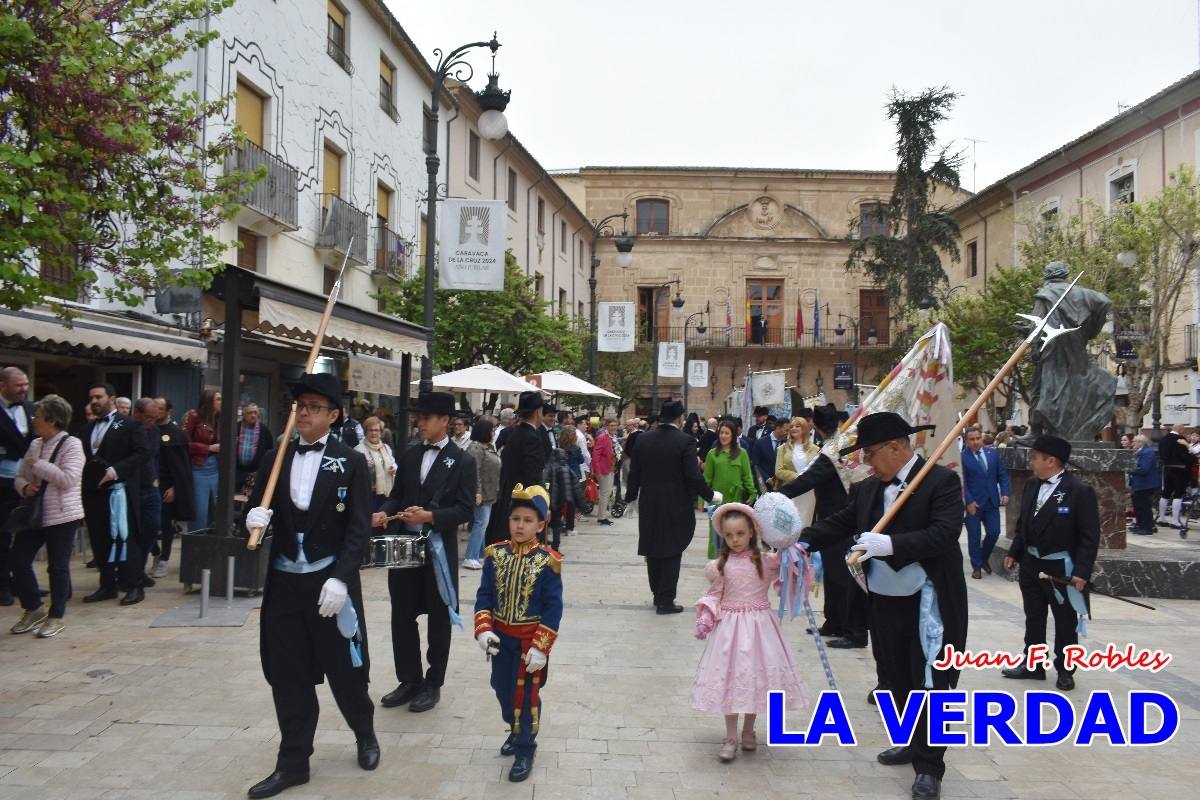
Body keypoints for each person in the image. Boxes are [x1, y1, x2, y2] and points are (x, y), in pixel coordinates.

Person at [800, 412, 966, 800]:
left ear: (896, 447)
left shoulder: (940, 482)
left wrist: (891, 545)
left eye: (871, 453)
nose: (867, 463)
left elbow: (944, 534)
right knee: (896, 678)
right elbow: (841, 523)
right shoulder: (868, 489)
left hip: (931, 605)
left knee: (931, 684)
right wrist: (799, 541)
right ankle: (912, 743)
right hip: (885, 601)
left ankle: (930, 767)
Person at [244, 372, 378, 798]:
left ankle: (365, 732)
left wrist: (340, 579)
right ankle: (293, 762)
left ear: (334, 416)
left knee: (346, 673)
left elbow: (359, 531)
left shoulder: (352, 462)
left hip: (330, 586)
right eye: (300, 406)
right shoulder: (273, 459)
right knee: (288, 677)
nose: (304, 413)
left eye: (315, 407)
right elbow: (253, 514)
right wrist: (251, 522)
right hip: (285, 586)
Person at [372, 391, 476, 714]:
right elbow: (397, 495)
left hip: (438, 552)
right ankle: (409, 679)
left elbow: (465, 510)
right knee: (401, 615)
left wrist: (430, 517)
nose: (420, 423)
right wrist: (383, 512)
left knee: (438, 618)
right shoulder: (410, 455)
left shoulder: (462, 460)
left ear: (446, 421)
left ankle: (433, 683)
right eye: (418, 417)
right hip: (405, 548)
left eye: (426, 418)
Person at [692, 503, 807, 762]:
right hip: (729, 632)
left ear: (752, 533)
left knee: (755, 680)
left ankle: (748, 731)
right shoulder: (720, 565)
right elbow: (714, 595)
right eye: (729, 535)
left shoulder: (765, 563)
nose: (735, 540)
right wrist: (706, 619)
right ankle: (730, 736)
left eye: (740, 534)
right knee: (731, 682)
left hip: (760, 631)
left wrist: (793, 552)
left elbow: (788, 568)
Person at [474, 484, 563, 783]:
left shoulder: (548, 561)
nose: (520, 525)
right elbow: (484, 595)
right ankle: (515, 728)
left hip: (529, 644)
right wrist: (483, 630)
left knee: (524, 697)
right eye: (515, 519)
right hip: (501, 640)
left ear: (541, 524)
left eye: (527, 520)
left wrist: (541, 647)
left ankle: (525, 746)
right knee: (501, 688)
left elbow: (553, 608)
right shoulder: (495, 554)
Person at [1002, 435, 1099, 694]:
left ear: (1051, 461)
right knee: (1034, 617)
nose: (1031, 462)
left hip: (1061, 569)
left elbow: (1090, 537)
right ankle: (1033, 664)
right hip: (1032, 564)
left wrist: (1081, 572)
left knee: (1065, 621)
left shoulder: (1079, 491)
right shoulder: (1032, 484)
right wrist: (1015, 551)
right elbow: (1024, 522)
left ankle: (1065, 669)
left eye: (1035, 457)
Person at [625, 399, 715, 614]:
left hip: (649, 501)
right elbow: (693, 475)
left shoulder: (643, 440)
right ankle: (666, 599)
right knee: (673, 548)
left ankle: (657, 593)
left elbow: (634, 473)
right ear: (679, 418)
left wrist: (630, 496)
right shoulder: (685, 441)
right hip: (676, 502)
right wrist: (710, 495)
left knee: (653, 547)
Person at [8, 395, 84, 638]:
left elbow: (68, 479)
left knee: (58, 567)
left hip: (63, 515)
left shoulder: (72, 444)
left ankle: (56, 616)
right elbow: (21, 476)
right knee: (18, 559)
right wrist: (24, 487)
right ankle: (33, 608)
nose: (34, 421)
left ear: (52, 420)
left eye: (38, 417)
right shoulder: (35, 444)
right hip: (35, 514)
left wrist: (38, 465)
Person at [81, 382, 149, 606]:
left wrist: (116, 470)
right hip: (95, 494)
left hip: (121, 492)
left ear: (111, 398)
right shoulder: (87, 429)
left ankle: (134, 585)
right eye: (91, 397)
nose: (94, 401)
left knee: (126, 538)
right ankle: (107, 585)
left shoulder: (129, 425)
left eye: (98, 396)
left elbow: (142, 453)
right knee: (100, 539)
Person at [486, 392, 546, 546]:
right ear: (538, 412)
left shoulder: (514, 433)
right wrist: (541, 503)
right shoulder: (531, 437)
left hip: (508, 496)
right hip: (524, 501)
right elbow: (532, 475)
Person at [0, 366, 35, 606]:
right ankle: (3, 585)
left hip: (27, 482)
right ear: (3, 385)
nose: (24, 389)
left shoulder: (31, 408)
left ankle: (24, 582)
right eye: (19, 385)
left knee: (25, 535)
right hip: (2, 482)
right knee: (2, 536)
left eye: (26, 384)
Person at [960, 424, 1010, 579]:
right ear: (966, 441)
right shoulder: (962, 457)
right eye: (971, 439)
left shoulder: (992, 454)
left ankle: (983, 558)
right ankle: (976, 567)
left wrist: (1005, 492)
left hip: (991, 502)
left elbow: (1002, 474)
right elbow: (963, 482)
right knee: (974, 537)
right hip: (973, 504)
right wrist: (969, 501)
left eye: (977, 438)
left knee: (994, 532)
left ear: (981, 437)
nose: (975, 442)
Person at [702, 419, 757, 558]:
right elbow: (706, 479)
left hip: (736, 500)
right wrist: (701, 498)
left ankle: (734, 561)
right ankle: (717, 562)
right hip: (717, 501)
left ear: (733, 435)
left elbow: (747, 476)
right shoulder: (712, 454)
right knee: (716, 533)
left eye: (727, 433)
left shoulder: (742, 453)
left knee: (734, 531)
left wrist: (752, 493)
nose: (723, 436)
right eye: (721, 433)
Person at [152, 397, 193, 577]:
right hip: (148, 485)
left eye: (161, 408)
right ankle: (155, 552)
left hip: (167, 486)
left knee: (165, 523)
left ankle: (164, 559)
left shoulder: (176, 434)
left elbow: (182, 467)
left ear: (168, 411)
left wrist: (175, 487)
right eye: (155, 408)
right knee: (147, 524)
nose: (157, 411)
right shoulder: (146, 430)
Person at [130, 398, 162, 583]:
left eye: (155, 418)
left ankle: (138, 569)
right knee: (134, 533)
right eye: (149, 418)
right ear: (137, 414)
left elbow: (155, 457)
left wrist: (156, 478)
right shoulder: (130, 429)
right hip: (134, 487)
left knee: (151, 528)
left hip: (151, 486)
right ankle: (133, 573)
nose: (152, 422)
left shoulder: (154, 431)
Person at [463, 420, 501, 569]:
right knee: (480, 524)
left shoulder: (487, 447)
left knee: (482, 524)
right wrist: (477, 492)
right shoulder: (476, 448)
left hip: (490, 491)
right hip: (482, 493)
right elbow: (474, 472)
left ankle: (479, 555)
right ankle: (470, 556)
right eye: (491, 431)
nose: (493, 434)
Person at [186, 389, 221, 531]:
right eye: (218, 399)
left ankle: (210, 542)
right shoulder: (194, 417)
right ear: (209, 401)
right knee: (200, 509)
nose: (221, 402)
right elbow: (185, 444)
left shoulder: (220, 419)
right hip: (199, 466)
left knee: (215, 508)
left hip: (216, 466)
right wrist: (208, 448)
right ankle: (195, 540)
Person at [355, 416, 396, 513]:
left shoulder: (386, 448)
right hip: (367, 495)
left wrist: (394, 468)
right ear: (366, 432)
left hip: (386, 494)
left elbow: (393, 463)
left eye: (377, 430)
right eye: (371, 430)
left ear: (381, 432)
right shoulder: (359, 449)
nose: (374, 433)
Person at [1158, 422, 1193, 530]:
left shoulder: (1163, 439)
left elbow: (1162, 455)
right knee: (1178, 494)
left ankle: (1162, 518)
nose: (1184, 432)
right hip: (1180, 470)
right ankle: (1175, 521)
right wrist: (1194, 459)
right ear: (1180, 429)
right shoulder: (1180, 439)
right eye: (1183, 430)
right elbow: (1184, 455)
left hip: (1167, 469)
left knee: (1166, 493)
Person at [237, 403, 275, 495]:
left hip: (256, 474)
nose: (253, 415)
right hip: (237, 472)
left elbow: (270, 451)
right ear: (244, 415)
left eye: (255, 413)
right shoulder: (236, 427)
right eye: (250, 413)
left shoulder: (265, 431)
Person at [1128, 434, 1158, 535]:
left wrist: (1129, 469)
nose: (1133, 444)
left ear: (1140, 442)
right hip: (1139, 484)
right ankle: (1140, 525)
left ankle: (1147, 527)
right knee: (1138, 506)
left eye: (1134, 442)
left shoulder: (1147, 452)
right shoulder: (1140, 451)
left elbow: (1144, 469)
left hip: (1145, 484)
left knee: (1144, 506)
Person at [750, 416, 789, 491]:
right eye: (786, 430)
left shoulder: (788, 444)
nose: (787, 433)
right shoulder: (760, 443)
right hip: (765, 487)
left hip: (783, 487)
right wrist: (766, 478)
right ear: (778, 428)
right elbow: (755, 464)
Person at [592, 418, 616, 526]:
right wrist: (597, 470)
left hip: (611, 468)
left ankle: (603, 516)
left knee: (607, 493)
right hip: (603, 469)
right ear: (606, 426)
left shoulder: (611, 437)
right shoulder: (602, 437)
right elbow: (595, 454)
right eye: (611, 425)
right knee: (605, 493)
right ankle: (601, 517)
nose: (614, 427)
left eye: (615, 425)